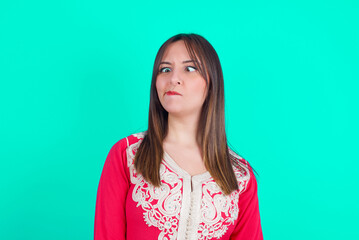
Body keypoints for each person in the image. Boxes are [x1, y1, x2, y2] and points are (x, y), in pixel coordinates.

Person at [94, 33, 263, 240]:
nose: (173, 79)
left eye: (190, 68)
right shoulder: (128, 155)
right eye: (165, 69)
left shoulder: (239, 175)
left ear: (211, 83)